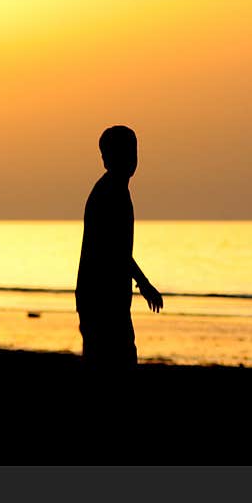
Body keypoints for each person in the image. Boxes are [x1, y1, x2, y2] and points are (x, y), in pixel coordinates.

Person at [76, 125, 163, 368]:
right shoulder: (109, 193)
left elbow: (119, 251)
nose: (132, 159)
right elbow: (116, 251)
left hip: (106, 298)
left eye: (134, 151)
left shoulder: (117, 190)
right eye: (125, 152)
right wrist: (144, 284)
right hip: (101, 300)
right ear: (106, 159)